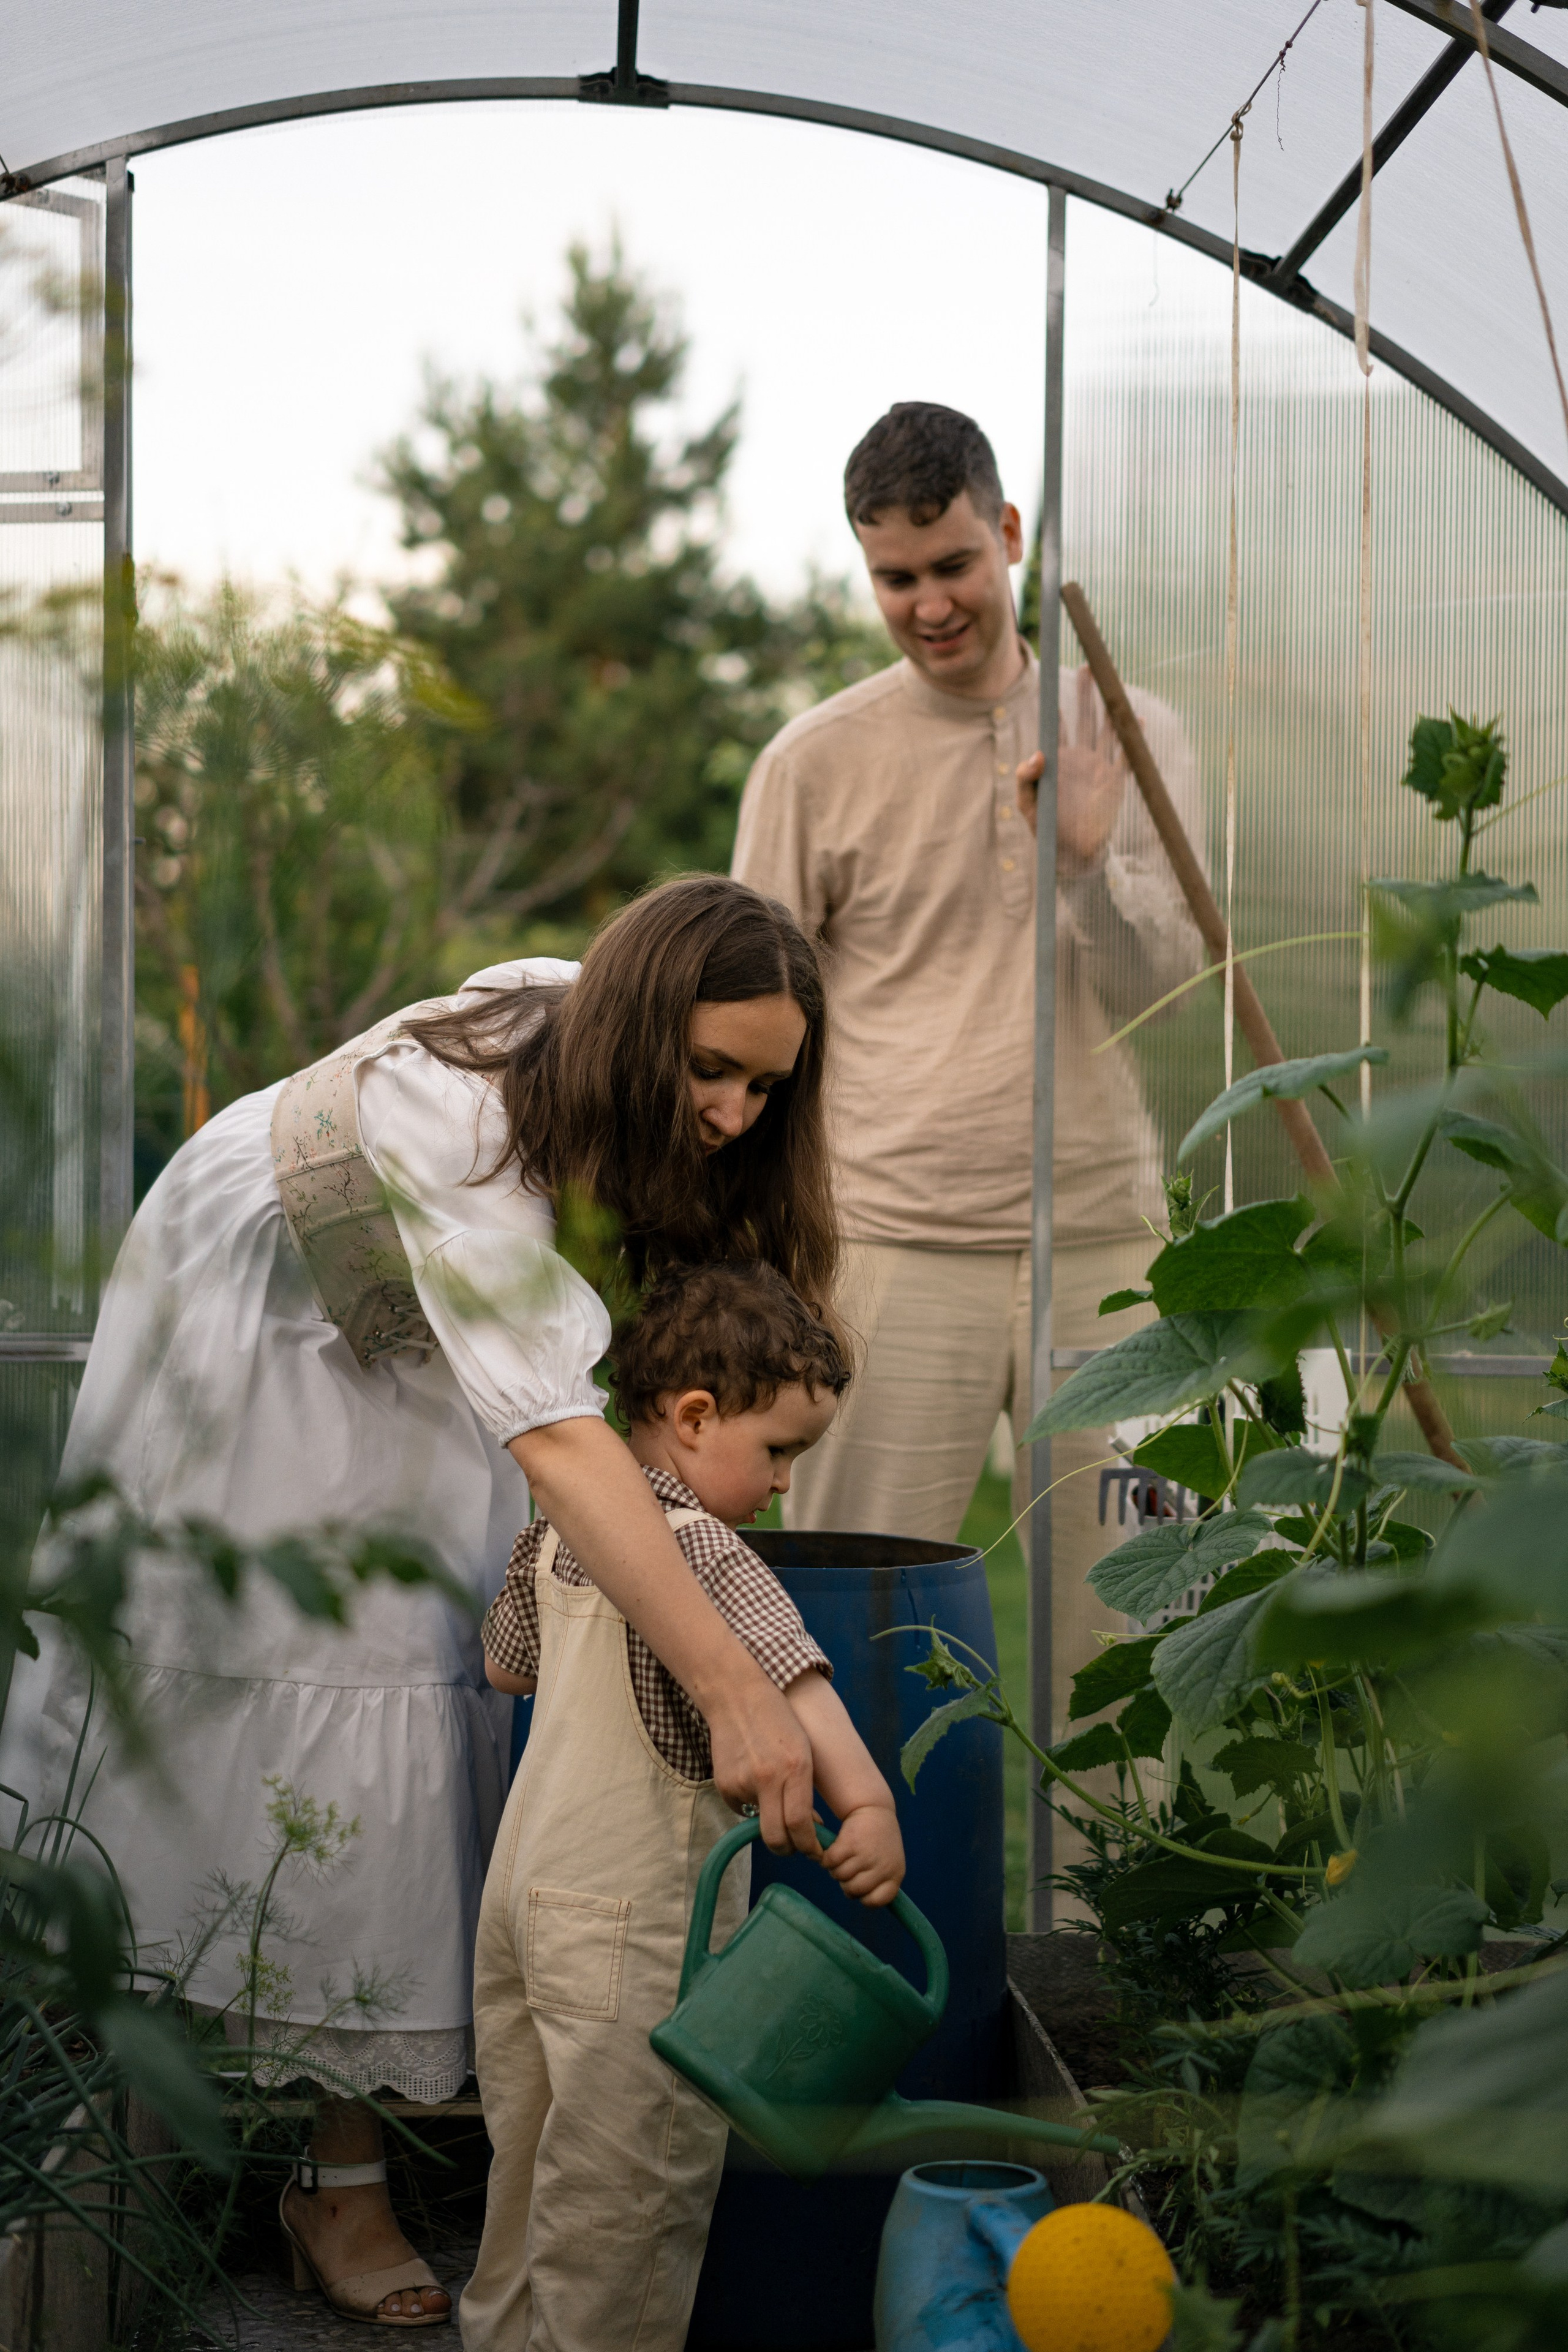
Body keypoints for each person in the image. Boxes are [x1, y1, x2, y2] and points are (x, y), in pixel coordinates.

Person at [2, 877, 840, 2329]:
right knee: (330, 1675)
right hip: (252, 1316)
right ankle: (334, 2180)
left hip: (398, 1320)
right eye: (711, 1070)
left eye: (765, 1086)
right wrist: (734, 1687)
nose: (731, 1113)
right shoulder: (464, 1135)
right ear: (641, 1027)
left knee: (436, 1657)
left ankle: (349, 2150)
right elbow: (559, 1440)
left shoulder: (592, 1063)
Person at [731, 402, 1205, 1765]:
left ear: (1007, 533)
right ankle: (860, 1892)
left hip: (1106, 1244)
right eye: (896, 578)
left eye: (952, 564)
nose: (929, 605)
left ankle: (1117, 1894)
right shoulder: (812, 762)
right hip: (890, 1242)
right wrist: (759, 1257)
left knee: (1133, 1630)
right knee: (852, 1626)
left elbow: (1174, 994)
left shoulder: (1128, 730)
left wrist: (1086, 866)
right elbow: (752, 1030)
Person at [460, 1259, 903, 2352]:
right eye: (780, 1451)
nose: (785, 1485)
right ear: (696, 1417)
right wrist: (868, 1804)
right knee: (625, 2197)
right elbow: (796, 1684)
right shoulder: (704, 1547)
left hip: (522, 1903)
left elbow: (506, 1666)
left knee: (525, 2169)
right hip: (633, 1925)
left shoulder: (558, 1527)